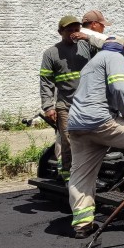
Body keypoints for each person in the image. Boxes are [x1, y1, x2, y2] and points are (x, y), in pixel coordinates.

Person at [66, 36, 124, 238]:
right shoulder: (115, 57)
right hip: (100, 121)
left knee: (81, 174)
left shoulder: (92, 62)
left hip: (76, 125)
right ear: (123, 52)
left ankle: (82, 224)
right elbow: (119, 87)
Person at [39, 15, 93, 181]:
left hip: (88, 103)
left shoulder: (87, 47)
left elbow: (109, 47)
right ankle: (67, 176)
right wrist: (48, 106)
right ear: (60, 32)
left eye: (77, 29)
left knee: (90, 140)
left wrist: (88, 37)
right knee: (68, 141)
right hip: (65, 105)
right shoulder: (51, 54)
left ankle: (85, 173)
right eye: (69, 30)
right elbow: (46, 81)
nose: (74, 33)